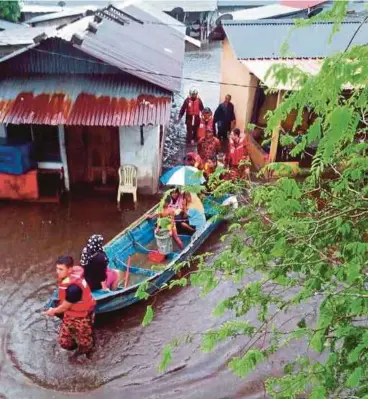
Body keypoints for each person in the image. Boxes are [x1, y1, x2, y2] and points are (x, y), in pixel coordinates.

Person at [44, 256, 96, 355]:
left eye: (61, 269)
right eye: (57, 268)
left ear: (70, 269)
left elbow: (64, 307)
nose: (57, 272)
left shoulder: (73, 289)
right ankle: (72, 350)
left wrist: (52, 311)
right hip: (70, 314)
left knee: (85, 344)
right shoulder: (68, 280)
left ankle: (86, 357)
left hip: (82, 317)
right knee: (64, 342)